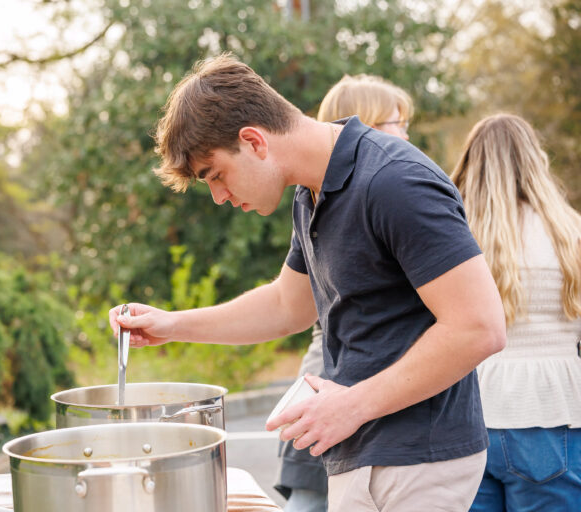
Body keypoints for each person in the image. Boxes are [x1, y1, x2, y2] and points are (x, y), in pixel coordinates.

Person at [109, 53, 506, 512]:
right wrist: (172, 324)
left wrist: (352, 405)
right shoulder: (310, 192)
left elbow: (479, 327)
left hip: (418, 455)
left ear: (253, 141)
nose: (218, 196)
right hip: (358, 450)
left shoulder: (393, 180)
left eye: (216, 175)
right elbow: (286, 306)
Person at [276, 73, 414, 512]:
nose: (406, 135)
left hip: (345, 405)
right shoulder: (321, 198)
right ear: (366, 124)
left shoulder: (385, 189)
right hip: (329, 398)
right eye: (397, 123)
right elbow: (286, 304)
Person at [450, 113, 581, 511]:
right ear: (536, 161)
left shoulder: (451, 234)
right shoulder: (569, 232)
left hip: (466, 415)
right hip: (553, 413)